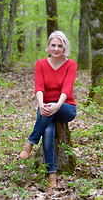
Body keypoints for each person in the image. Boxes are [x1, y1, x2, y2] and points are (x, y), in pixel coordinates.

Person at [19, 30, 77, 188]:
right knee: (49, 132)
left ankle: (30, 143)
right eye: (53, 45)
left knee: (51, 113)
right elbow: (39, 87)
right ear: (48, 46)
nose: (57, 48)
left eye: (60, 45)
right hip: (45, 107)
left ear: (65, 48)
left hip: (65, 107)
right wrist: (41, 104)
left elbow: (67, 87)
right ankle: (52, 175)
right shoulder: (41, 64)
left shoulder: (71, 64)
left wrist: (57, 105)